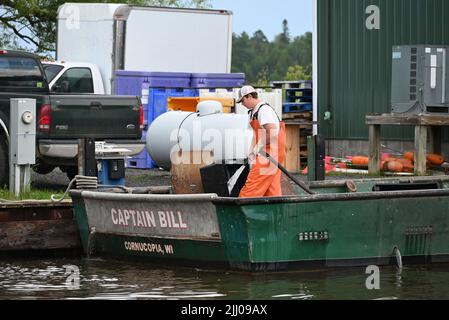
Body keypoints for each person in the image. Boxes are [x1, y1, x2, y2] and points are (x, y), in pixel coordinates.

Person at [237, 85, 286, 197]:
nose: (242, 104)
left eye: (243, 101)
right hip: (270, 154)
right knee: (272, 191)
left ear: (249, 96)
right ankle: (275, 213)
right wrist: (251, 151)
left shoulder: (264, 110)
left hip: (270, 155)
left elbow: (272, 132)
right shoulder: (254, 112)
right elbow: (257, 135)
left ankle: (241, 210)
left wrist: (258, 147)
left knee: (251, 188)